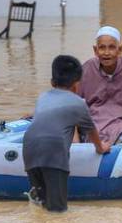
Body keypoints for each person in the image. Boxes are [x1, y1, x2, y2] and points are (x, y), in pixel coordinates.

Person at [22, 55, 110, 212]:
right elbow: (91, 130)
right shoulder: (79, 103)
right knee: (58, 211)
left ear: (52, 82)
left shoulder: (43, 97)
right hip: (53, 151)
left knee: (40, 203)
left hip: (29, 149)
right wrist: (100, 147)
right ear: (77, 85)